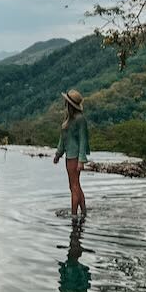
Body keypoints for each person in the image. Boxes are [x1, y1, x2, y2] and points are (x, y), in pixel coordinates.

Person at [53, 89, 90, 219]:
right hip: (69, 157)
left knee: (74, 186)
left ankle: (74, 215)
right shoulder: (68, 120)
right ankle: (83, 212)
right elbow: (62, 140)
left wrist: (81, 160)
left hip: (74, 158)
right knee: (74, 186)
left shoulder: (80, 120)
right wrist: (58, 154)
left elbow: (83, 141)